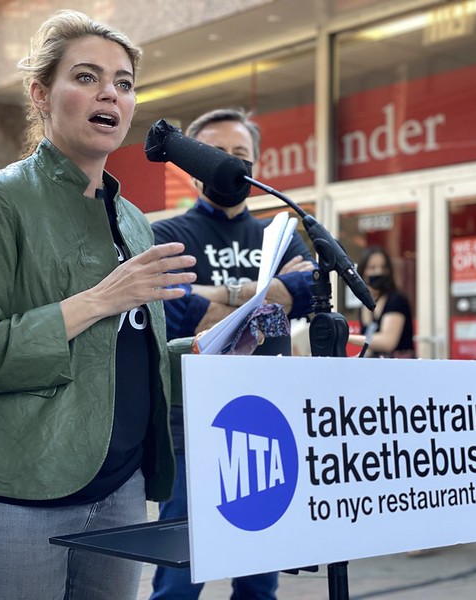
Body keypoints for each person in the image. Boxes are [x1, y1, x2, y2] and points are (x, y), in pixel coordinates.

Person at [0, 10, 195, 600]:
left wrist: (210, 348)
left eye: (124, 83)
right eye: (86, 76)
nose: (110, 92)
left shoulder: (133, 221)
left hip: (121, 488)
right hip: (17, 492)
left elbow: (125, 354)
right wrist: (102, 299)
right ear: (40, 94)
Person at [150, 108, 317, 600]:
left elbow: (304, 289)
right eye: (217, 155)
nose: (230, 165)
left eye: (241, 155)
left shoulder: (279, 234)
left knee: (260, 578)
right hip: (189, 417)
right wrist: (265, 292)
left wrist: (218, 295)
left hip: (266, 416)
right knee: (180, 577)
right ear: (194, 164)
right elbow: (179, 309)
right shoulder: (164, 235)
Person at [348, 245, 415, 358]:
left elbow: (387, 342)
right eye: (372, 268)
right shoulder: (364, 304)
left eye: (383, 267)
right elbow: (371, 347)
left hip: (400, 367)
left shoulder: (396, 300)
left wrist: (347, 337)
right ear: (363, 272)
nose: (378, 272)